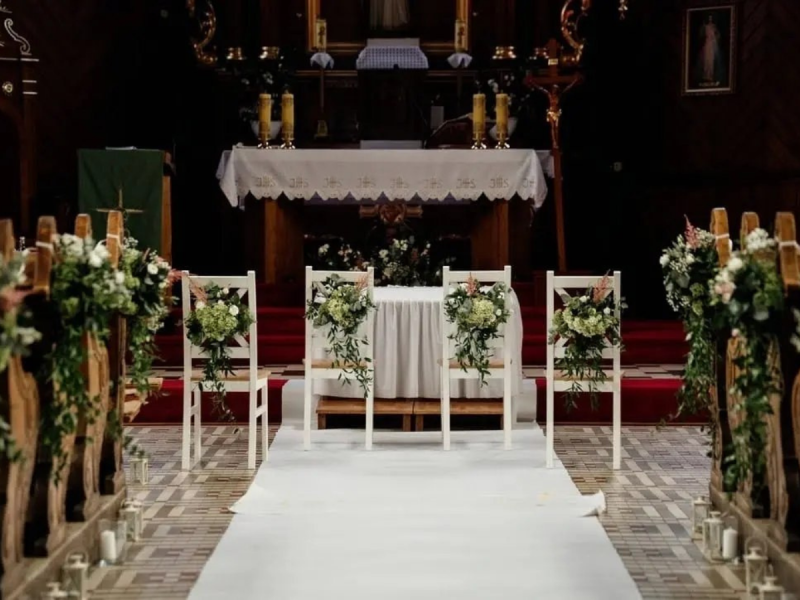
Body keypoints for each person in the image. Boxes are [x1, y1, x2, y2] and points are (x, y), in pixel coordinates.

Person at [696, 14, 723, 84]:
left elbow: (718, 35)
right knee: (706, 59)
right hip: (707, 44)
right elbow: (702, 35)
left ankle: (711, 75)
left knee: (712, 60)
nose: (710, 20)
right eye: (709, 18)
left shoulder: (714, 27)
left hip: (713, 44)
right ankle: (706, 75)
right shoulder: (705, 26)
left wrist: (715, 38)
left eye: (711, 18)